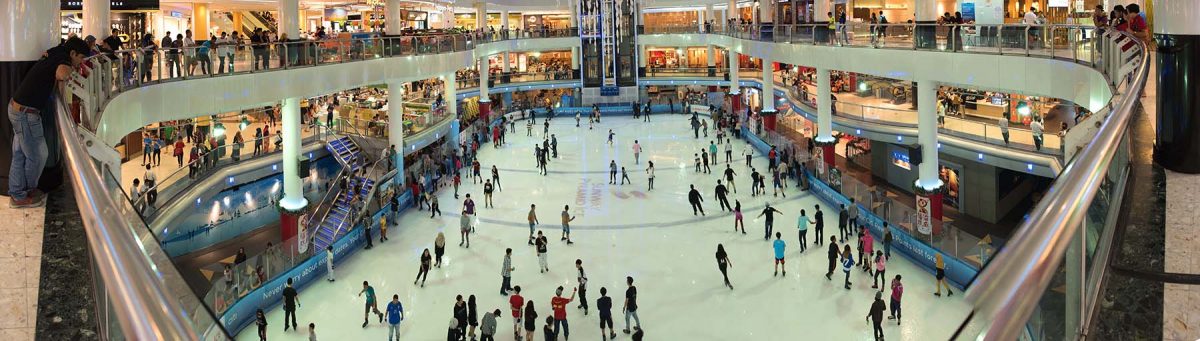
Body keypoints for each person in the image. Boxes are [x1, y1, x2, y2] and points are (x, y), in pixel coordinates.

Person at [8, 37, 89, 208]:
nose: (80, 62)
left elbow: (53, 64)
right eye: (80, 58)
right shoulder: (63, 58)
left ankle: (17, 192)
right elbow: (62, 74)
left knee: (20, 154)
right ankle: (24, 193)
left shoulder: (56, 51)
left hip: (18, 108)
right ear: (73, 53)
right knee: (38, 156)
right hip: (25, 114)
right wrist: (71, 71)